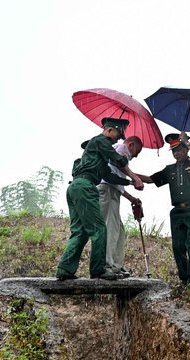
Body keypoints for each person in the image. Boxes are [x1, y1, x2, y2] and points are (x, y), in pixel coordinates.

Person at [56, 117, 144, 281]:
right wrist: (135, 176)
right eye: (117, 135)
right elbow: (118, 159)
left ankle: (65, 269)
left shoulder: (98, 157)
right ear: (109, 130)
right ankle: (98, 270)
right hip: (85, 187)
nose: (117, 140)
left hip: (75, 188)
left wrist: (130, 182)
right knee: (99, 229)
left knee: (80, 232)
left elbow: (109, 175)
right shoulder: (100, 140)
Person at [138, 132, 190, 287]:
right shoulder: (170, 170)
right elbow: (151, 179)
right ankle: (184, 278)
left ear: (186, 150)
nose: (177, 153)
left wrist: (187, 142)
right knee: (178, 246)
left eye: (180, 150)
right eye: (174, 151)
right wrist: (128, 172)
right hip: (177, 212)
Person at [98, 136, 143, 278]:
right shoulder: (120, 148)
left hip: (113, 191)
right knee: (110, 227)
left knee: (119, 230)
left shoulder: (119, 161)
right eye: (137, 151)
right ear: (131, 145)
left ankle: (116, 265)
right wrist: (135, 177)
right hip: (106, 190)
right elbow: (119, 163)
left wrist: (132, 198)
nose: (136, 156)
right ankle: (106, 265)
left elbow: (119, 186)